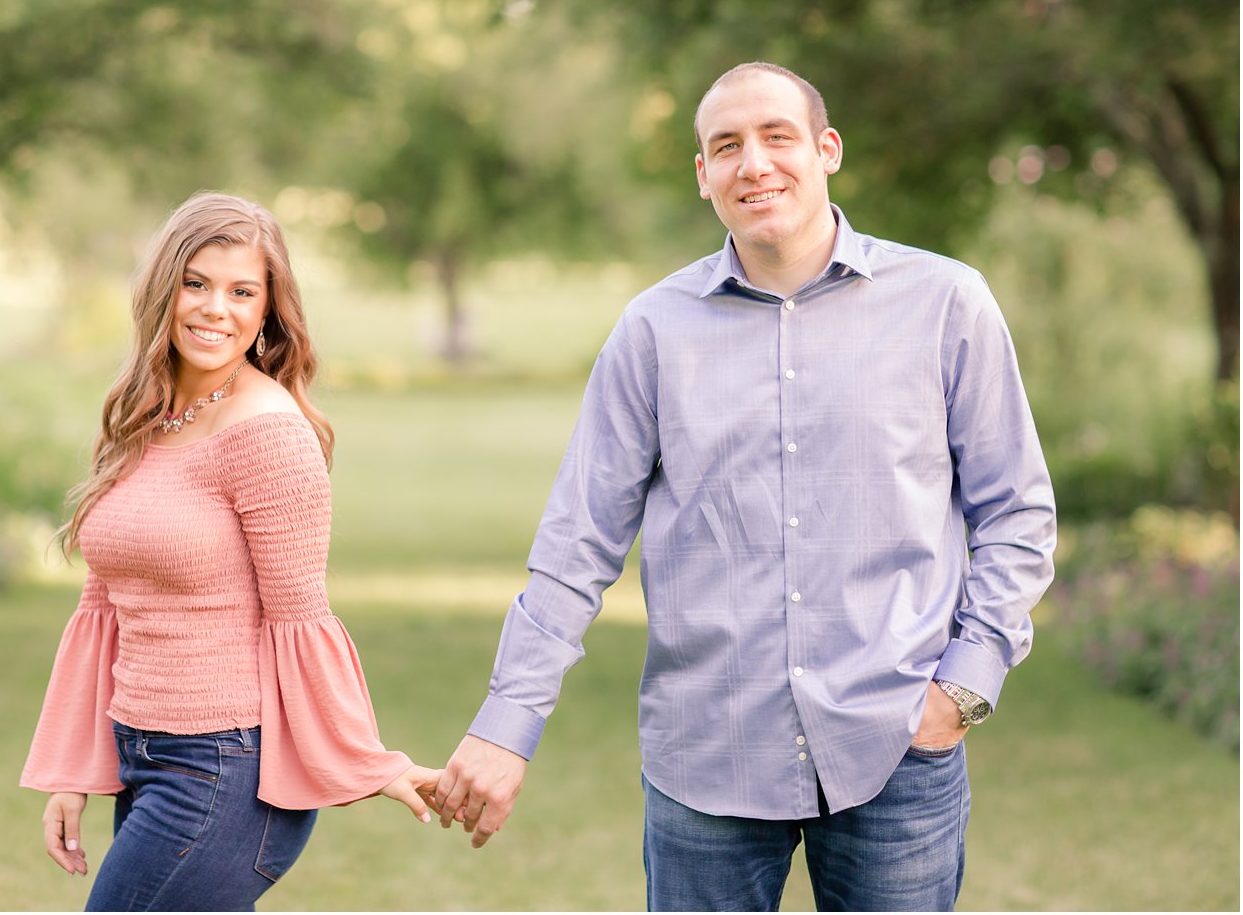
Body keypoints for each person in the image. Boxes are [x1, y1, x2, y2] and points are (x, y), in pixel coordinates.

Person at [432, 62, 1056, 912]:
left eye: (777, 137)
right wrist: (508, 723)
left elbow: (1016, 510)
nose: (753, 163)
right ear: (703, 175)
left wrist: (963, 685)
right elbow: (577, 544)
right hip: (706, 760)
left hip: (898, 750)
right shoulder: (653, 330)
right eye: (726, 146)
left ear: (826, 149)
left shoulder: (946, 303)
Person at [20, 192, 439, 911]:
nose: (216, 308)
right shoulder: (143, 414)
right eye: (197, 283)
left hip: (224, 772)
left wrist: (369, 760)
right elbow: (106, 605)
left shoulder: (268, 433)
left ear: (268, 310)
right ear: (164, 289)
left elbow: (300, 618)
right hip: (143, 756)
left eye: (242, 291)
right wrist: (73, 768)